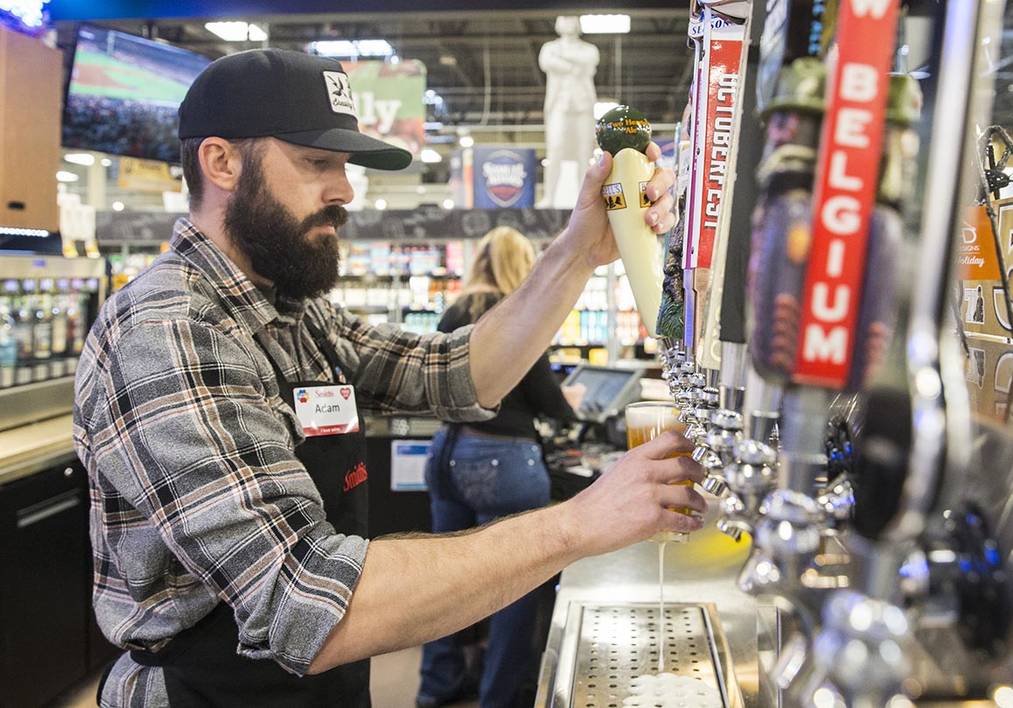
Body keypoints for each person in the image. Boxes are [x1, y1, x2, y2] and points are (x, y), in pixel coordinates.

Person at [73, 48, 700, 708]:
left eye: (344, 166)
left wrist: (580, 249)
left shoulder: (297, 312)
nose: (345, 189)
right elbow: (301, 599)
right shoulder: (169, 329)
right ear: (221, 162)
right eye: (318, 162)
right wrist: (578, 523)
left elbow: (454, 374)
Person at [417, 227, 582, 708]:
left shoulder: (456, 310)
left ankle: (438, 685)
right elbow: (544, 396)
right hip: (504, 460)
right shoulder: (517, 315)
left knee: (444, 577)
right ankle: (499, 696)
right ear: (520, 265)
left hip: (447, 452)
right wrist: (568, 404)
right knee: (513, 580)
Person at [537, 16, 600, 208]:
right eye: (564, 18)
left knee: (584, 151)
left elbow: (590, 60)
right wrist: (574, 66)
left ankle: (583, 198)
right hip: (559, 104)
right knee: (555, 148)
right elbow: (546, 62)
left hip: (582, 105)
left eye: (573, 19)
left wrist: (564, 60)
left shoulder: (589, 49)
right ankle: (549, 196)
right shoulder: (549, 48)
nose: (569, 22)